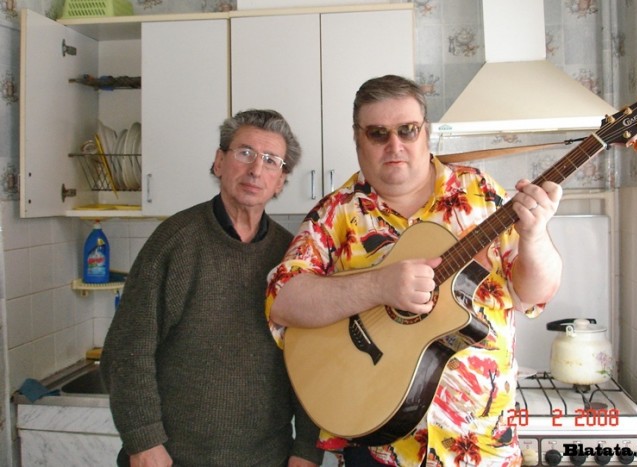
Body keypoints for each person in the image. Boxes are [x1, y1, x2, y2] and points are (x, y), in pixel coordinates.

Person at [265, 75, 563, 466]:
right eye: (378, 133)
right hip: (377, 449)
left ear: (426, 132)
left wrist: (535, 236)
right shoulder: (336, 212)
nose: (395, 145)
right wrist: (378, 286)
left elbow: (534, 294)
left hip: (482, 446)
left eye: (407, 130)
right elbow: (282, 300)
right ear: (357, 139)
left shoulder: (482, 194)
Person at [101, 109, 323, 467]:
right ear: (219, 162)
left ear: (281, 180)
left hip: (268, 459)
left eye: (271, 161)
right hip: (172, 459)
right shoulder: (174, 242)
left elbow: (310, 360)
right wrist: (143, 442)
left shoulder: (292, 258)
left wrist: (307, 449)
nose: (256, 170)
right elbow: (128, 349)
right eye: (245, 153)